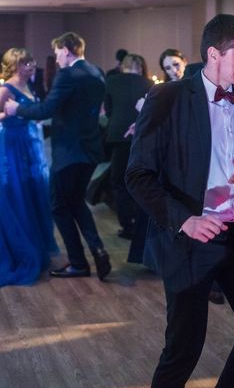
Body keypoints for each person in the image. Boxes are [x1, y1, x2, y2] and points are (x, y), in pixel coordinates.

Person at [125, 14, 234, 388]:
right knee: (183, 351)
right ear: (214, 54)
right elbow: (138, 175)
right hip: (190, 242)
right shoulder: (169, 98)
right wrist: (186, 221)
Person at [4, 32, 111, 281]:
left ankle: (78, 262)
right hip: (90, 150)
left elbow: (45, 110)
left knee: (59, 206)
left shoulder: (67, 75)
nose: (56, 58)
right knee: (75, 202)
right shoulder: (96, 72)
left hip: (69, 152)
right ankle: (98, 249)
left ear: (66, 49)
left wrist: (17, 109)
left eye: (57, 52)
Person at [0, 48, 59, 287]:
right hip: (14, 146)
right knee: (19, 195)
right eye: (25, 63)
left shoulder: (28, 85)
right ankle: (23, 250)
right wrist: (11, 115)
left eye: (31, 62)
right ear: (14, 66)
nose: (31, 66)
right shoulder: (6, 89)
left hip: (31, 144)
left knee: (36, 194)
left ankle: (37, 246)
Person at [104, 54, 153, 240]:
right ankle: (141, 223)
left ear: (122, 66)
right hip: (141, 138)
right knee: (140, 180)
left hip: (119, 136)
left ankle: (127, 224)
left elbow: (108, 109)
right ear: (140, 67)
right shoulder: (149, 83)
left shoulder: (112, 81)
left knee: (119, 182)